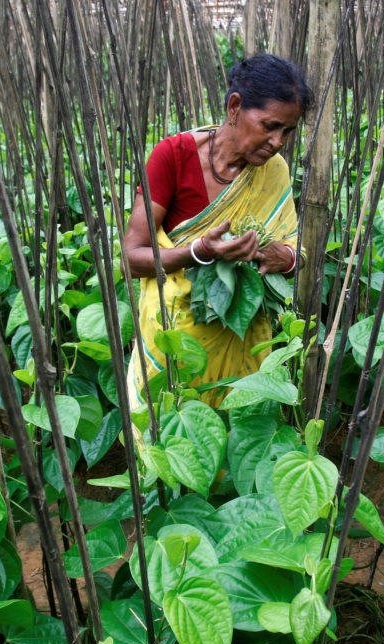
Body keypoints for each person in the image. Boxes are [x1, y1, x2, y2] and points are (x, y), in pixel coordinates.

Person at [124, 54, 315, 411]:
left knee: (239, 437)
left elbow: (295, 251)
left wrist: (282, 257)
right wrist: (199, 252)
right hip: (176, 339)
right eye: (269, 125)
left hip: (244, 337)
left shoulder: (274, 171)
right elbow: (130, 259)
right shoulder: (173, 157)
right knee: (174, 434)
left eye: (287, 131)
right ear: (235, 106)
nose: (278, 141)